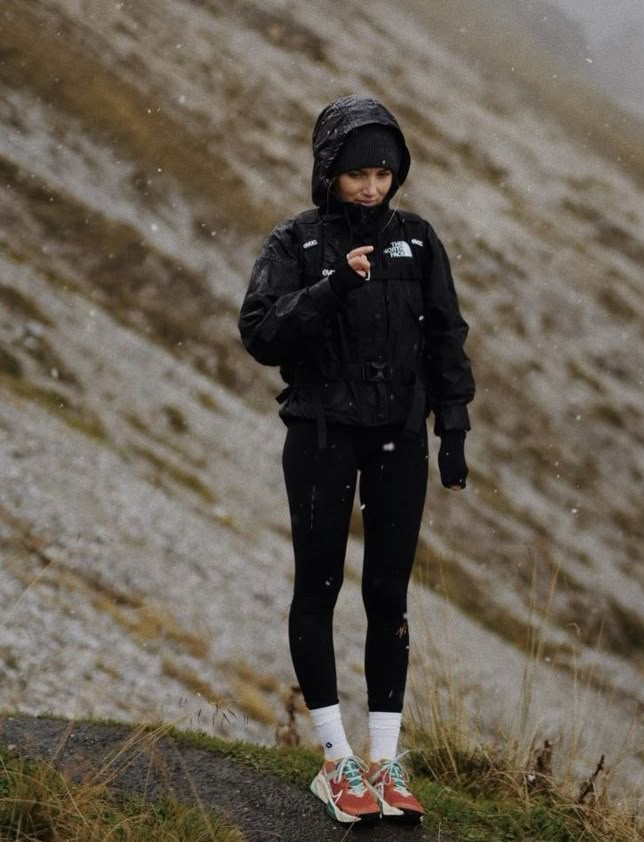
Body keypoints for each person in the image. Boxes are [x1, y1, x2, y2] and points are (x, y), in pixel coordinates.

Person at [238, 94, 474, 825]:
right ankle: (336, 761)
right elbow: (261, 334)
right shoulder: (296, 243)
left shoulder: (419, 241)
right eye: (356, 174)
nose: (371, 188)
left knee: (388, 598)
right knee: (319, 588)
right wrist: (334, 285)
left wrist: (453, 427)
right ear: (327, 173)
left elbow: (446, 338)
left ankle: (385, 760)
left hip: (399, 438)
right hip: (320, 438)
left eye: (383, 173)